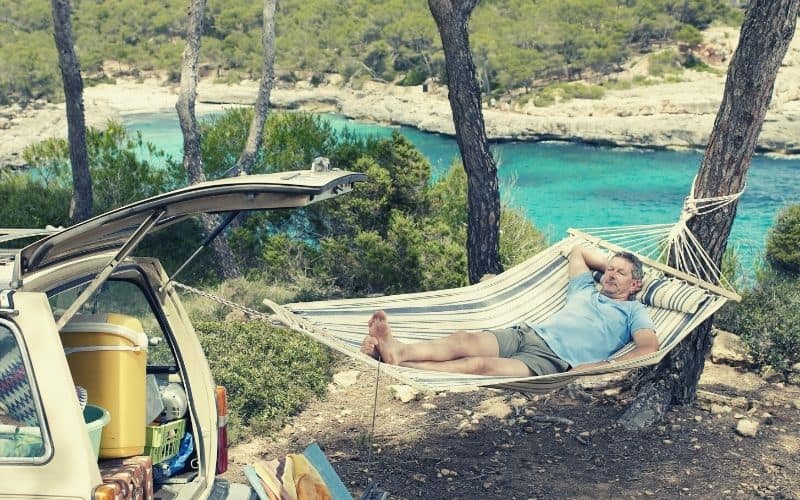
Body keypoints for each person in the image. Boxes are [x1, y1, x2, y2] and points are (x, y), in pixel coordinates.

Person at [360, 246, 659, 376]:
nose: (610, 274)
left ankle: (404, 367)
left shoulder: (634, 312)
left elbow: (649, 347)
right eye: (609, 269)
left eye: (621, 274)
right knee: (464, 339)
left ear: (635, 284)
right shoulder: (584, 288)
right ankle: (398, 351)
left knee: (479, 366)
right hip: (527, 333)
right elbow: (578, 250)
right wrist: (611, 264)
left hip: (551, 361)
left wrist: (598, 367)